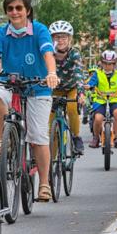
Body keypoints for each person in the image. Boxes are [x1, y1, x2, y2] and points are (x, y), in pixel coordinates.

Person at [0, 0, 58, 202]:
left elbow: (48, 53)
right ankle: (7, 138)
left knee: (38, 137)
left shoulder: (39, 30)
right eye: (10, 9)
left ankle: (44, 183)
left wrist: (52, 74)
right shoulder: (1, 33)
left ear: (27, 11)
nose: (14, 12)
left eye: (19, 8)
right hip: (11, 85)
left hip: (37, 87)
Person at [48, 20, 86, 154]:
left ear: (69, 38)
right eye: (57, 37)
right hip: (54, 90)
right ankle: (50, 162)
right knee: (50, 119)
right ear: (51, 38)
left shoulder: (74, 53)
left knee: (72, 108)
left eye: (64, 36)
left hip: (71, 88)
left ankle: (76, 137)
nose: (61, 40)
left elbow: (79, 73)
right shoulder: (48, 54)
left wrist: (81, 93)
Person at [87, 50, 117, 149]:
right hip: (101, 100)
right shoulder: (97, 73)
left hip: (114, 99)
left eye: (110, 64)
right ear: (101, 63)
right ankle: (96, 138)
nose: (107, 66)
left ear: (114, 64)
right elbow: (91, 82)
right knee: (98, 118)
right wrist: (88, 86)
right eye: (105, 63)